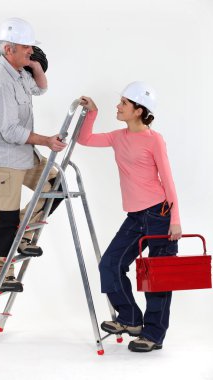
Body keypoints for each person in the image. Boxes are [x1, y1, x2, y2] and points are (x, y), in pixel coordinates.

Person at [78, 81, 182, 353]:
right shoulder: (117, 137)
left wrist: (176, 219)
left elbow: (168, 180)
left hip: (159, 214)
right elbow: (85, 139)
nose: (119, 106)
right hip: (136, 216)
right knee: (110, 265)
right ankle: (131, 319)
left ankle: (154, 334)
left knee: (157, 278)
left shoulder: (154, 140)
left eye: (124, 103)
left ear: (139, 110)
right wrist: (92, 113)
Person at [0, 18, 66, 293]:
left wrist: (35, 65)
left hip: (24, 156)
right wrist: (47, 141)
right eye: (27, 47)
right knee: (3, 217)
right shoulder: (0, 81)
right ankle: (2, 275)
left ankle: (23, 232)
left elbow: (40, 88)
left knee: (57, 187)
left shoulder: (17, 72)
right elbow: (11, 131)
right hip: (4, 160)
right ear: (9, 49)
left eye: (31, 47)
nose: (31, 51)